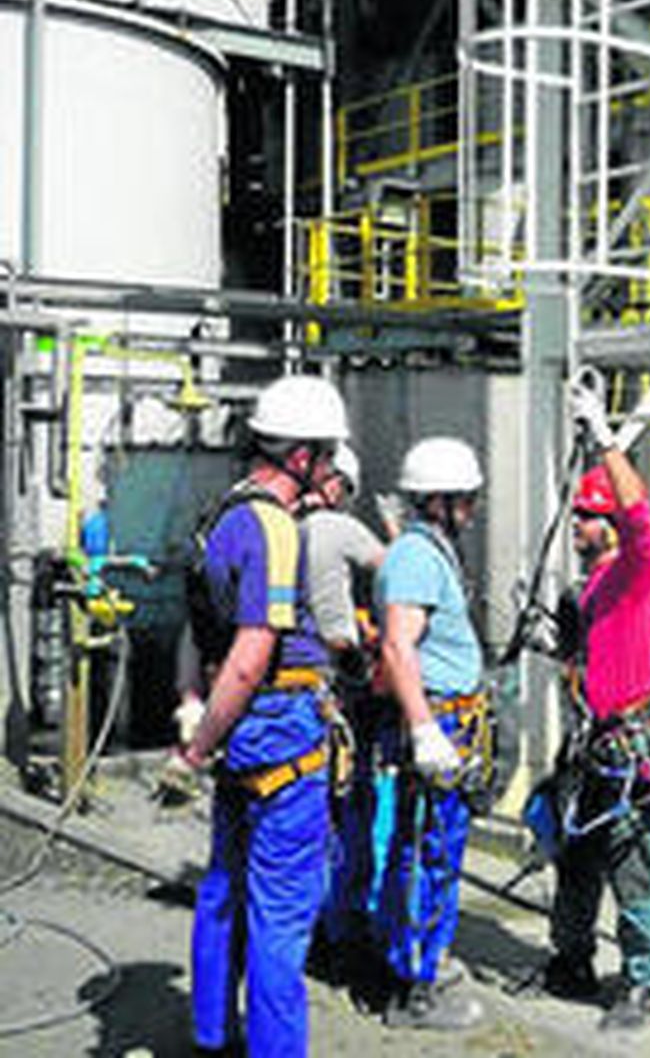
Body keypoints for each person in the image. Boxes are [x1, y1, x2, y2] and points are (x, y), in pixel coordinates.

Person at [164, 373, 349, 1058]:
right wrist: (193, 751)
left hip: (239, 740)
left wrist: (193, 712)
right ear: (298, 455)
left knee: (223, 888)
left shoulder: (221, 516)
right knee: (280, 917)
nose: (328, 470)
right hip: (279, 736)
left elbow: (200, 630)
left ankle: (212, 1035)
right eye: (325, 455)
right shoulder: (273, 527)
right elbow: (249, 653)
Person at [534, 376, 650, 1032]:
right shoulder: (588, 588)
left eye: (586, 517)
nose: (577, 526)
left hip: (630, 748)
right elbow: (583, 660)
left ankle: (642, 982)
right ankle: (572, 960)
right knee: (577, 861)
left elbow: (639, 512)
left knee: (635, 866)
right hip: (592, 745)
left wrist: (605, 436)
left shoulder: (637, 570)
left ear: (606, 523)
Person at [374, 436, 489, 1031]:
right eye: (465, 500)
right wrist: (424, 730)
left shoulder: (426, 550)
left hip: (449, 716)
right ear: (439, 501)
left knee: (434, 848)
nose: (471, 510)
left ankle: (422, 962)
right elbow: (397, 645)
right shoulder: (418, 556)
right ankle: (414, 989)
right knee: (429, 851)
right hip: (438, 718)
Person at [301, 444, 388, 983]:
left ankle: (311, 932)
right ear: (337, 485)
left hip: (282, 694)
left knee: (302, 820)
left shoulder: (273, 524)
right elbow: (400, 574)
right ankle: (346, 936)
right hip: (340, 686)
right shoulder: (337, 527)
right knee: (352, 812)